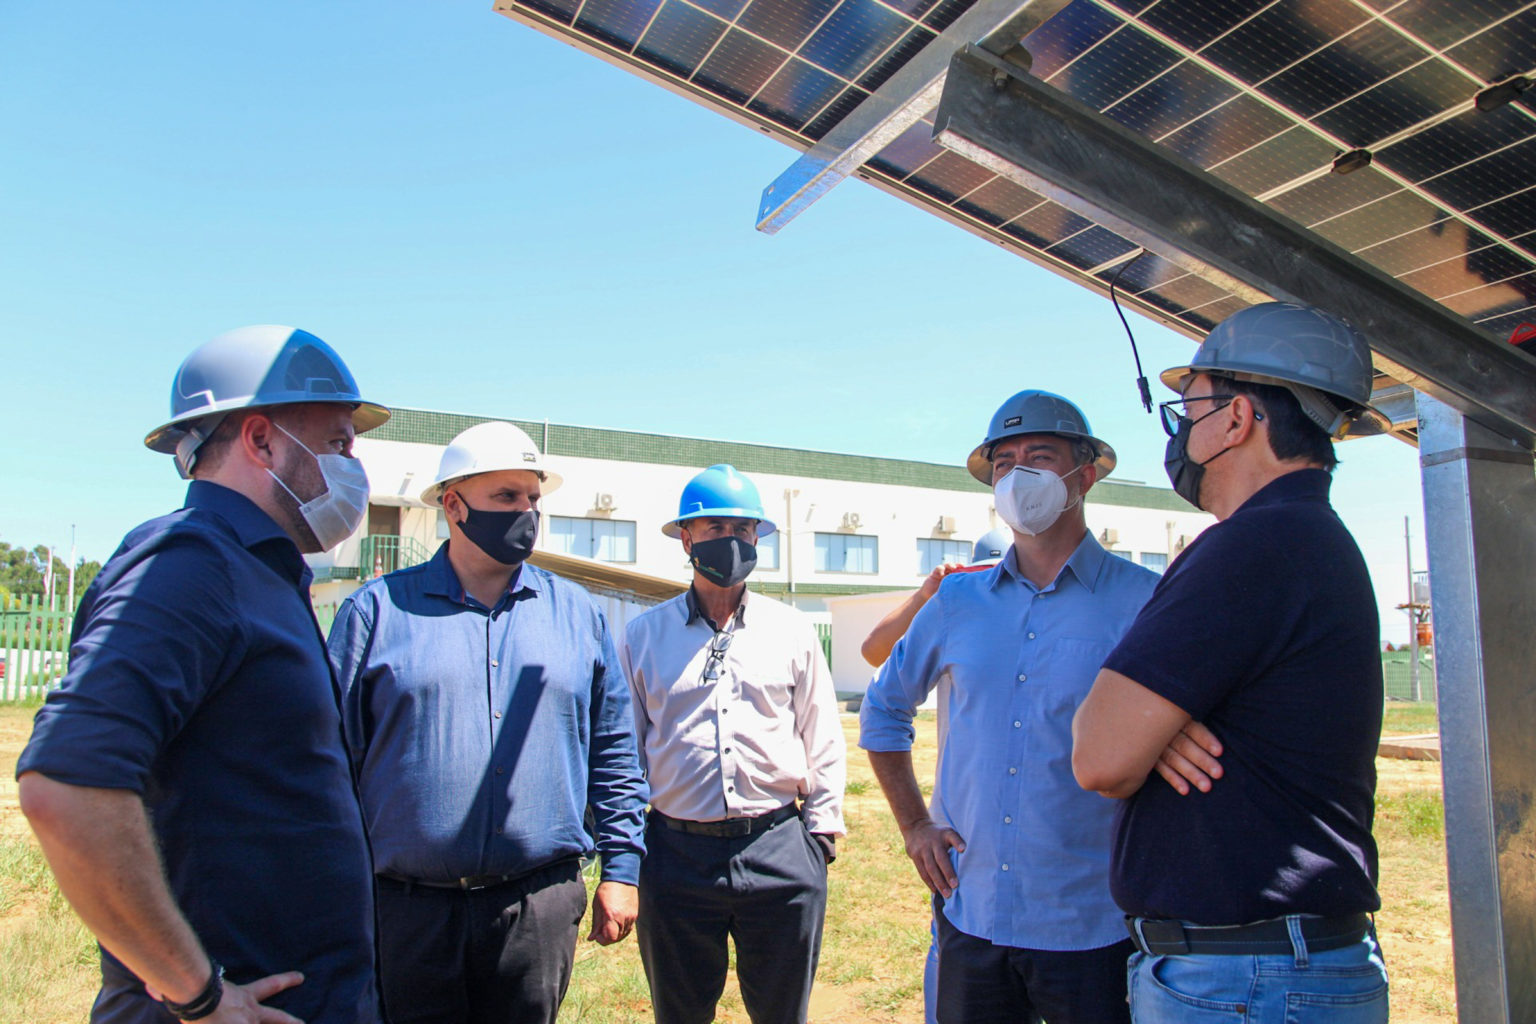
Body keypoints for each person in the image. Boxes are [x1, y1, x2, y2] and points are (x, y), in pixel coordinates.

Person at [17, 325, 388, 1023]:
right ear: (260, 440)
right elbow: (67, 784)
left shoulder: (262, 573)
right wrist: (199, 994)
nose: (353, 467)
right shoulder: (191, 565)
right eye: (338, 443)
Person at [1072, 302, 1392, 1023]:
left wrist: (1146, 729)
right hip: (1288, 969)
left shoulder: (1250, 545)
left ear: (1239, 418)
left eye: (1190, 409)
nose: (1183, 432)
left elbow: (1100, 755)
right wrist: (1160, 724)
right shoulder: (1310, 537)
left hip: (1245, 984)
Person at [326, 419, 648, 1024]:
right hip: (406, 912)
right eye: (506, 497)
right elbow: (329, 762)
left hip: (537, 907)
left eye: (533, 498)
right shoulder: (376, 613)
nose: (526, 512)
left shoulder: (576, 615)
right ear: (454, 505)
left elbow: (613, 752)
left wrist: (622, 869)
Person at [860, 391, 1158, 1024]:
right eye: (1003, 462)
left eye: (1040, 456)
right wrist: (915, 824)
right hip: (973, 915)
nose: (1018, 475)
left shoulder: (1146, 602)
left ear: (1087, 473)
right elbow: (884, 710)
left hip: (1093, 925)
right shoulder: (957, 601)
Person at [620, 464, 846, 1024]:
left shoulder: (791, 630)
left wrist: (818, 837)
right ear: (687, 538)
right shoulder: (644, 635)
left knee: (781, 1012)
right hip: (676, 857)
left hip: (779, 848)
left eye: (743, 530)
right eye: (715, 528)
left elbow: (821, 731)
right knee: (680, 1012)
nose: (731, 541)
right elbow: (624, 746)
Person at [859, 525, 1010, 1024]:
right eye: (980, 575)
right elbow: (874, 653)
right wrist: (927, 596)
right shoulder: (957, 617)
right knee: (953, 948)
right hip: (962, 821)